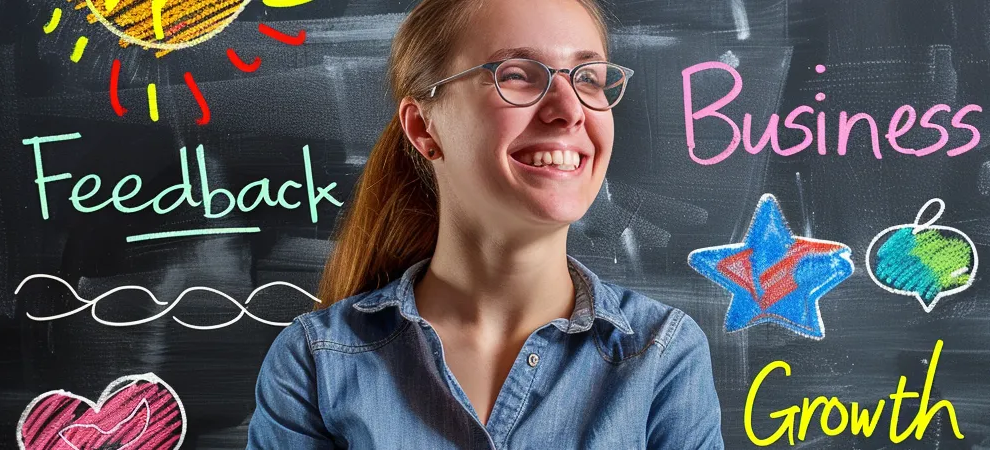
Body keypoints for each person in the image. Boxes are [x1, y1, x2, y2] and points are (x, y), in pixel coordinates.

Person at [247, 0, 724, 448]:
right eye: (516, 75)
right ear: (423, 128)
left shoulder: (663, 354)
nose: (569, 111)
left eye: (590, 79)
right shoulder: (315, 362)